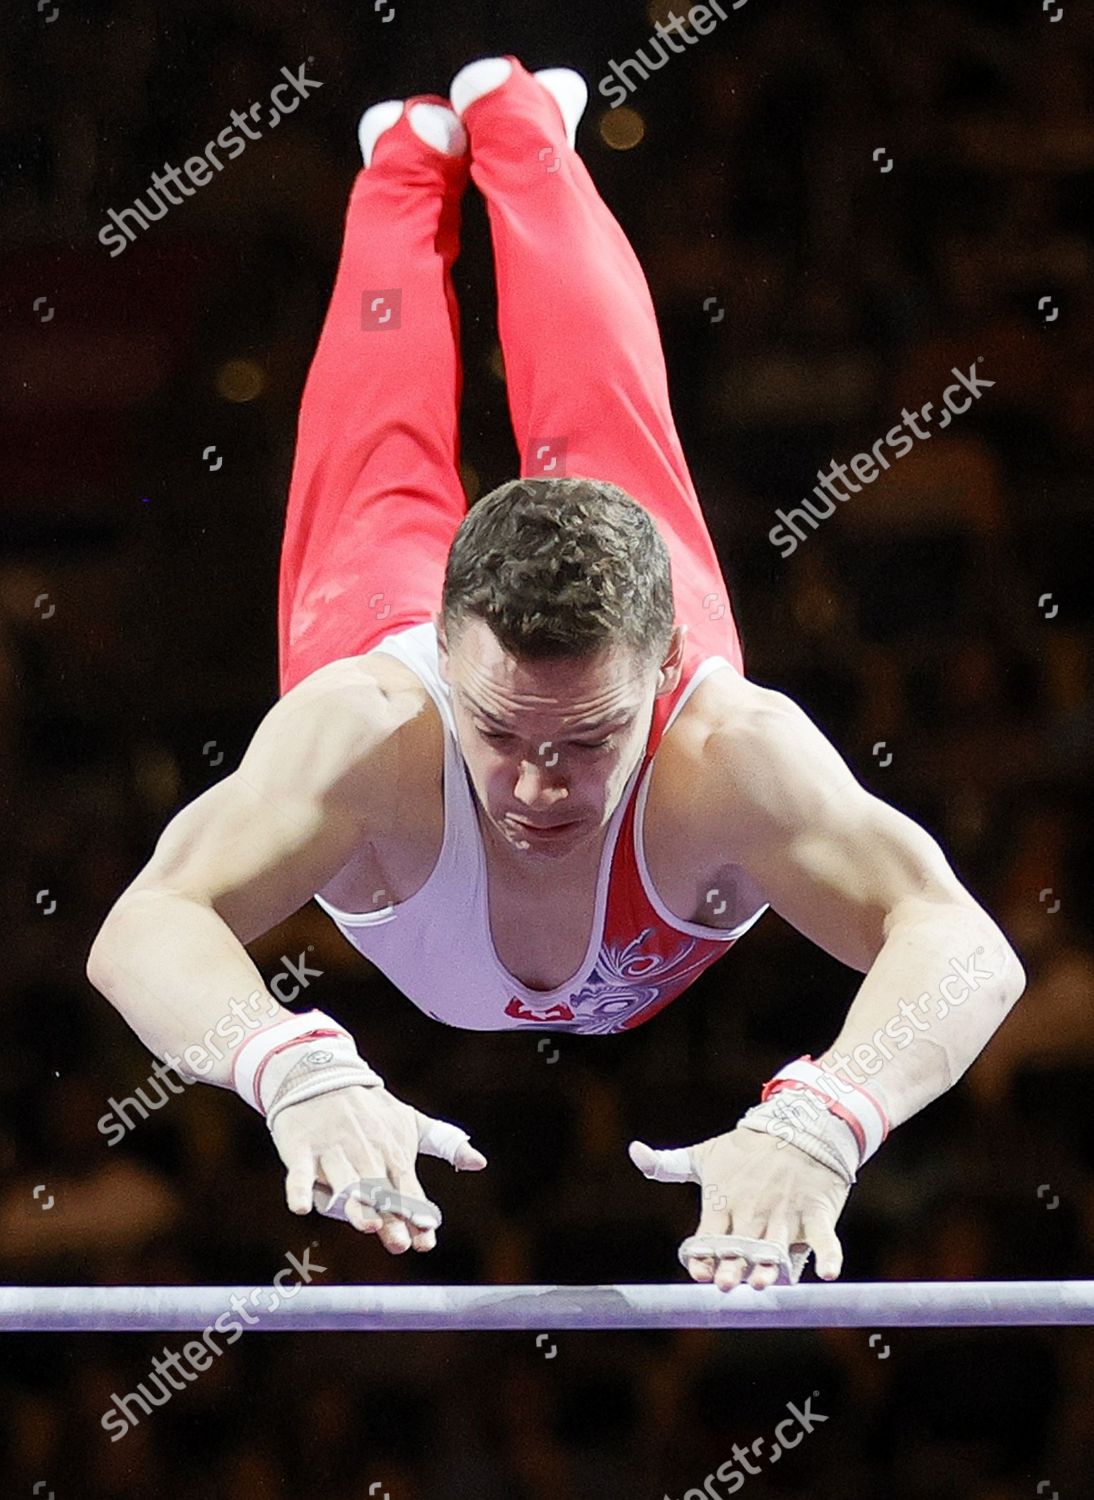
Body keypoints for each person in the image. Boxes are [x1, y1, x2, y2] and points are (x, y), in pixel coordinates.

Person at [87, 56, 1026, 1292]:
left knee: (604, 415)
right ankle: (407, 159)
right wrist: (287, 1068)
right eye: (499, 731)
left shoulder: (724, 751)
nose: (537, 784)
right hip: (386, 649)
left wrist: (826, 1119)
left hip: (624, 672)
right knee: (375, 450)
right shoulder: (373, 727)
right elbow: (143, 926)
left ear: (660, 674)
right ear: (442, 657)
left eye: (587, 740)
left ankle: (520, 124)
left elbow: (966, 946)